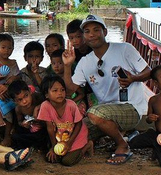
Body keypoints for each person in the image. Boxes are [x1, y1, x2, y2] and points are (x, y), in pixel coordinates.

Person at [61, 14, 151, 165]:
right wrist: (67, 66)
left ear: (105, 32)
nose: (92, 34)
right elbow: (70, 90)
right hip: (103, 115)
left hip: (131, 108)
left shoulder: (124, 49)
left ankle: (123, 145)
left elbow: (148, 71)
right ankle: (90, 142)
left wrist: (132, 79)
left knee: (94, 113)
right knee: (69, 146)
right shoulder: (85, 61)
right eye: (87, 31)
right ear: (84, 36)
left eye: (96, 30)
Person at [37, 76, 91, 166]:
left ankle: (87, 146)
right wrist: (53, 147)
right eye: (55, 90)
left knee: (67, 161)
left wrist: (69, 143)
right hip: (61, 138)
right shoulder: (45, 106)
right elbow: (50, 129)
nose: (60, 93)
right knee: (52, 159)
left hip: (75, 137)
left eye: (62, 90)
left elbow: (79, 124)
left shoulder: (71, 105)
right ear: (46, 94)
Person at [7, 80, 49, 154]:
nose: (24, 101)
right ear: (15, 101)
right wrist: (23, 124)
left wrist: (38, 108)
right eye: (20, 100)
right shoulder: (18, 109)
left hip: (44, 127)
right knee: (16, 136)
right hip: (32, 129)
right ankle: (33, 146)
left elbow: (50, 103)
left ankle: (41, 146)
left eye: (26, 96)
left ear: (30, 91)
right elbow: (19, 121)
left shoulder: (38, 98)